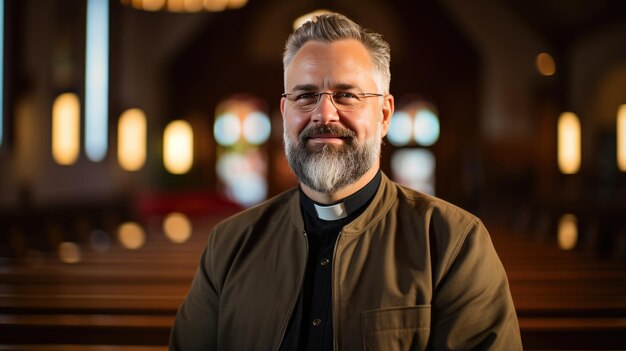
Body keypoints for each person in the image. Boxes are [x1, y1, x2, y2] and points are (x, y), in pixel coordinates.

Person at [170, 13, 522, 351]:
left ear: (384, 115)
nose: (324, 114)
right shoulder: (229, 244)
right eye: (305, 95)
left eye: (346, 95)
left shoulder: (453, 244)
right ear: (284, 113)